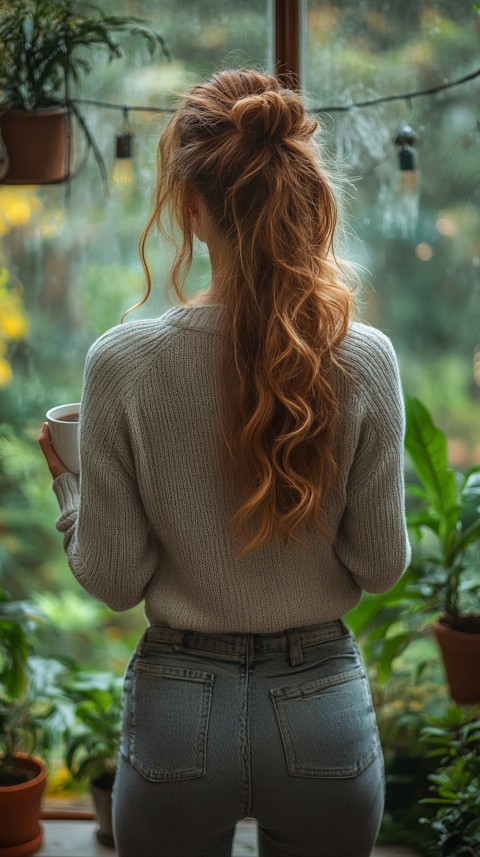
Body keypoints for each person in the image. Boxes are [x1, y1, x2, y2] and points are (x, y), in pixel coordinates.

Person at [39, 68, 411, 857]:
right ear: (302, 194)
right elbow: (380, 565)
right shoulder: (366, 357)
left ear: (194, 207)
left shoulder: (123, 362)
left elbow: (112, 580)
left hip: (178, 710)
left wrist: (68, 487)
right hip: (322, 708)